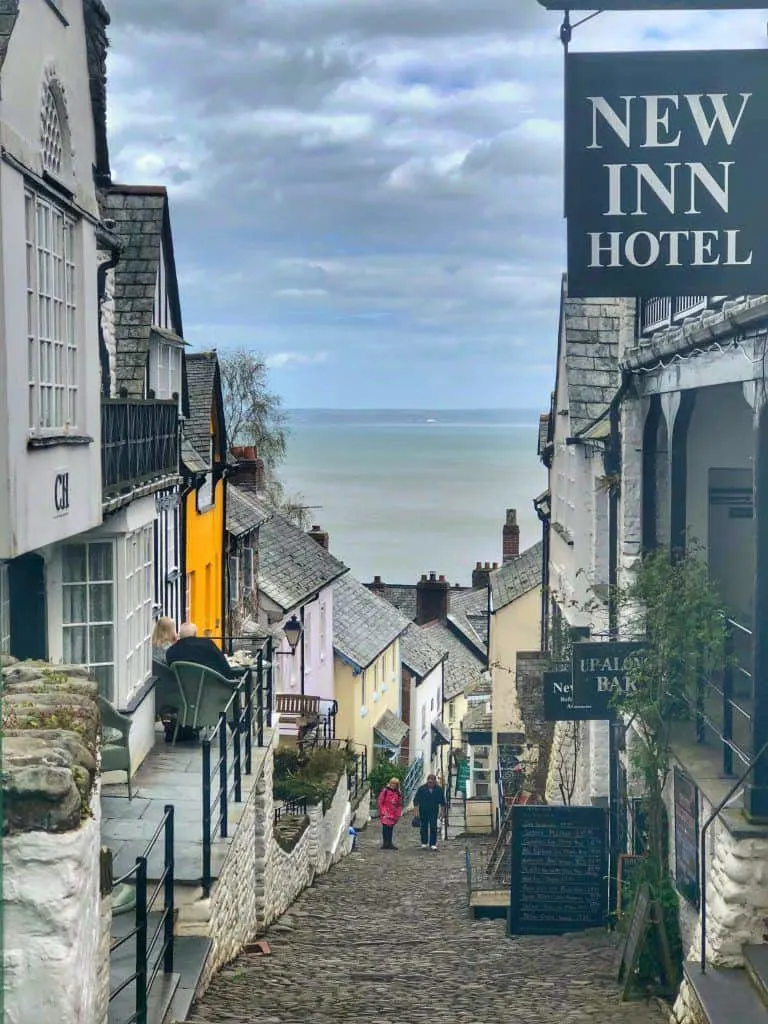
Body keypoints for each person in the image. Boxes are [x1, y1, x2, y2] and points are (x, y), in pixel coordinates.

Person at [165, 622, 238, 679]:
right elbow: (225, 667)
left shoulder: (171, 651)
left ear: (180, 635)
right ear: (195, 634)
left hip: (183, 693)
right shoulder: (208, 644)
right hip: (213, 690)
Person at [414, 773, 446, 850]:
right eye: (429, 781)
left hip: (433, 811)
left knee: (433, 827)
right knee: (423, 827)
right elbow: (416, 801)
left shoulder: (438, 789)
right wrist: (416, 812)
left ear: (435, 781)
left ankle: (433, 844)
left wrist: (442, 812)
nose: (430, 783)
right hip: (423, 811)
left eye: (431, 782)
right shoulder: (422, 789)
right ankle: (424, 843)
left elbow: (442, 802)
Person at [377, 777, 403, 850]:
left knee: (390, 828)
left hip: (393, 813)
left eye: (395, 783)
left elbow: (399, 804)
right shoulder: (385, 791)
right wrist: (382, 811)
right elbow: (380, 801)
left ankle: (389, 843)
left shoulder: (398, 793)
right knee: (385, 828)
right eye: (392, 783)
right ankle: (385, 843)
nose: (393, 785)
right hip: (385, 812)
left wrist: (398, 813)